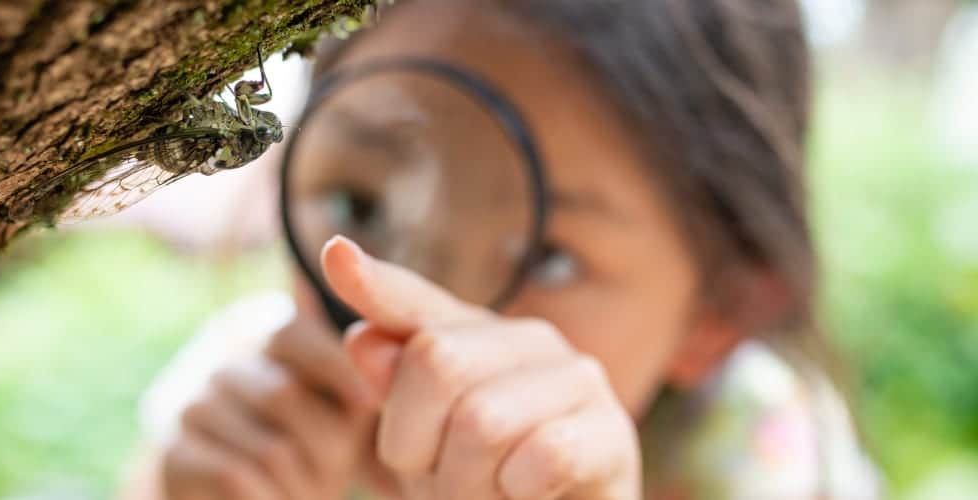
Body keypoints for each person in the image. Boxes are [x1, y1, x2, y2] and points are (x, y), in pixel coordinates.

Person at [121, 1, 882, 498]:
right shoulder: (249, 391)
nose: (422, 330)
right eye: (361, 206)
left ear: (718, 316)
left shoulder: (759, 449)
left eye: (549, 258)